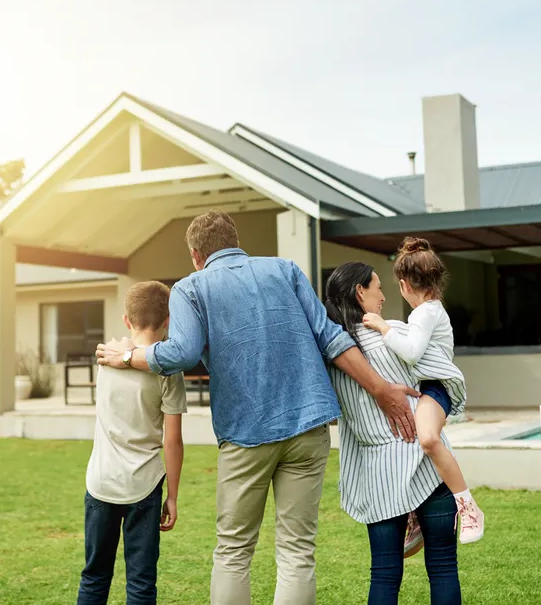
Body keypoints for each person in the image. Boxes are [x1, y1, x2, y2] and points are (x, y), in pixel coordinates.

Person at [96, 210, 419, 605]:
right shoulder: (285, 269)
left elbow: (180, 353)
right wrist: (381, 389)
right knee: (297, 551)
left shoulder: (191, 288)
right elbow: (331, 339)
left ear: (196, 255)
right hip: (308, 425)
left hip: (246, 434)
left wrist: (126, 358)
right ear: (236, 241)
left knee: (234, 551)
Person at [325, 262, 464, 605]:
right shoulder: (395, 337)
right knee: (443, 567)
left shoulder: (333, 354)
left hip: (378, 476)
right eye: (377, 288)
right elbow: (446, 374)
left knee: (384, 573)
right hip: (427, 466)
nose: (384, 296)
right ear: (360, 292)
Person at [361, 237, 484, 550]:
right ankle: (417, 514)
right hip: (427, 389)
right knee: (413, 445)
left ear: (403, 284)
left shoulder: (425, 313)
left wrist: (382, 327)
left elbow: (413, 353)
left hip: (436, 388)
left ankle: (468, 509)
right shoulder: (429, 312)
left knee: (428, 439)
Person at [77, 281, 187, 605]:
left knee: (94, 577)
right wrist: (174, 497)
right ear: (168, 320)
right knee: (141, 584)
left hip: (101, 484)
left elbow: (128, 352)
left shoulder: (105, 356)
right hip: (144, 486)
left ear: (126, 320)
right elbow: (173, 440)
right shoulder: (169, 373)